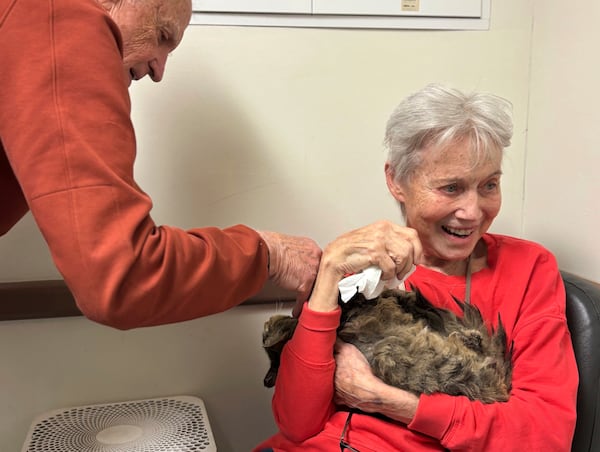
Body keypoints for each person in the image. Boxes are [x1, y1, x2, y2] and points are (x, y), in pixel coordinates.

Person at [254, 84, 578, 451]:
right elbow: (297, 423)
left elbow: (544, 435)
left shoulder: (527, 269)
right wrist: (327, 276)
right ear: (397, 181)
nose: (473, 212)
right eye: (451, 188)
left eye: (489, 185)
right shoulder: (357, 268)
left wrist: (385, 399)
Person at [0, 0, 321, 329]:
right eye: (162, 34)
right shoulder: (54, 14)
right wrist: (269, 254)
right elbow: (121, 279)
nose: (158, 69)